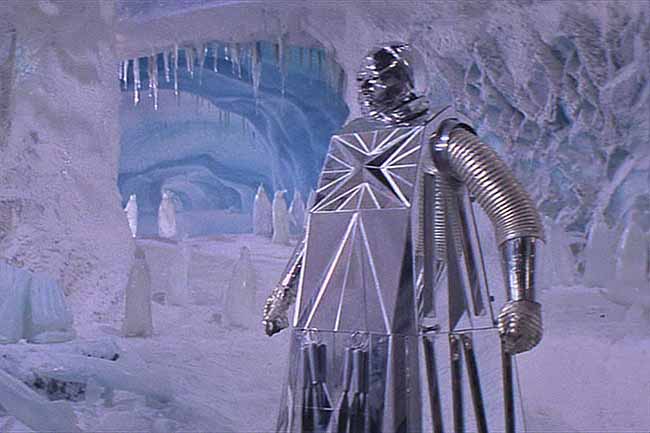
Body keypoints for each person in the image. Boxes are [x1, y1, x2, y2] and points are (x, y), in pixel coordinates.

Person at [263, 43, 544, 433]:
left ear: (408, 82)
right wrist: (286, 290)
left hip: (424, 303)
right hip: (333, 309)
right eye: (362, 80)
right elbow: (323, 224)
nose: (365, 88)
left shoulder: (444, 136)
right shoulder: (353, 139)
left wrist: (524, 299)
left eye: (377, 79)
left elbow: (513, 208)